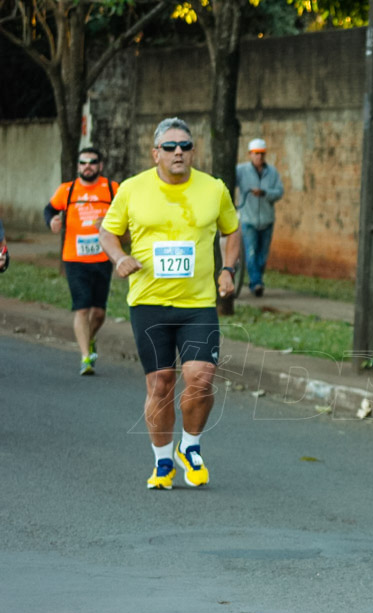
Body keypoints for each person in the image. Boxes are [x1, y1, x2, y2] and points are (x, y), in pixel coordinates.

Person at [98, 117, 241, 490]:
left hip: (197, 304)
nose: (179, 152)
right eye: (170, 147)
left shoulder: (214, 189)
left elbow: (232, 229)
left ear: (193, 151)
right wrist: (119, 258)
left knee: (202, 377)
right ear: (155, 153)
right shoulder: (132, 189)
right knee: (160, 384)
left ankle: (189, 446)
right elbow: (108, 231)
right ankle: (163, 461)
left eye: (186, 146)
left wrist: (228, 269)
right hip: (149, 302)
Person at [44, 147, 119, 375]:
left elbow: (125, 214)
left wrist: (109, 221)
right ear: (78, 166)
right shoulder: (67, 190)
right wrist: (52, 222)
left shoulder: (111, 188)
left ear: (100, 165)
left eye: (92, 162)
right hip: (74, 258)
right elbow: (49, 209)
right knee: (82, 308)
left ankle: (90, 338)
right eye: (83, 162)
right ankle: (86, 357)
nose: (88, 166)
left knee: (99, 313)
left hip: (102, 256)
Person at [235, 137, 284, 297]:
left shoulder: (272, 173)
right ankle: (256, 283)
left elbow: (279, 192)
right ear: (250, 154)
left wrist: (265, 193)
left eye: (262, 154)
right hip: (248, 219)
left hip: (267, 219)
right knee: (251, 252)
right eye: (256, 154)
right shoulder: (241, 171)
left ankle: (256, 280)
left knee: (262, 255)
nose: (259, 157)